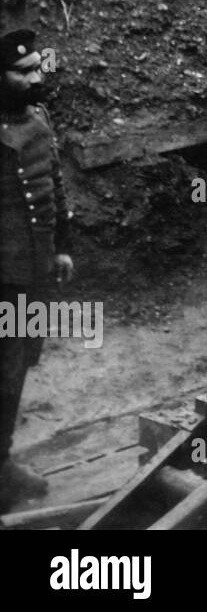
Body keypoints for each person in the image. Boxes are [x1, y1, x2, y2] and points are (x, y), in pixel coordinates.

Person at [0, 28, 74, 511]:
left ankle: (2, 463)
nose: (36, 77)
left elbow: (54, 187)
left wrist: (62, 248)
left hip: (35, 271)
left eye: (38, 67)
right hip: (3, 279)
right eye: (23, 72)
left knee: (20, 364)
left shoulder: (39, 119)